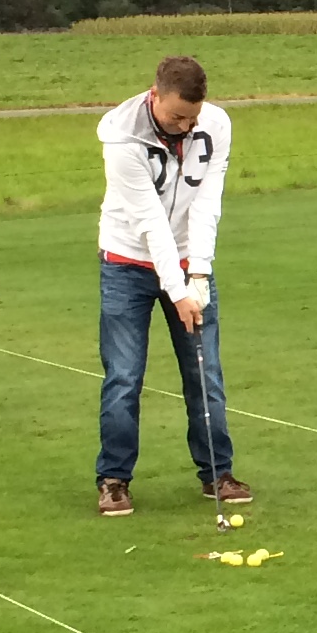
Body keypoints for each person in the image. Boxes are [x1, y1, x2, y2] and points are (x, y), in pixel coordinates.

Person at [94, 54, 247, 517]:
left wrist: (198, 273)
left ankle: (217, 472)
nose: (184, 126)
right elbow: (150, 222)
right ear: (154, 95)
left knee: (206, 374)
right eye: (177, 115)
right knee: (124, 376)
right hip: (127, 261)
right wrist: (177, 291)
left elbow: (207, 204)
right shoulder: (120, 136)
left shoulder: (215, 125)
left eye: (192, 117)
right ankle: (114, 479)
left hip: (187, 260)